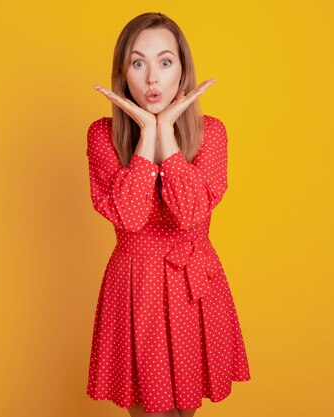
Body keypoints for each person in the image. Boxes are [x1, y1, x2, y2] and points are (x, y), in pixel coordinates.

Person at [85, 12, 251, 417]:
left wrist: (168, 137)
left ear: (182, 69)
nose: (152, 78)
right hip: (135, 288)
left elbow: (192, 213)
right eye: (138, 63)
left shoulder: (211, 133)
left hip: (193, 286)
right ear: (124, 73)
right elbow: (128, 215)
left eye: (165, 61)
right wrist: (145, 135)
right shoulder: (100, 135)